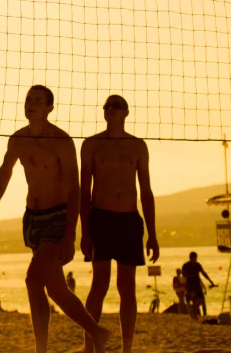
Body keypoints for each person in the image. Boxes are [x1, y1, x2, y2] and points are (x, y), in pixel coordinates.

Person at [0, 85, 110, 353]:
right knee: (56, 290)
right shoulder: (18, 139)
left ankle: (41, 348)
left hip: (57, 217)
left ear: (49, 107)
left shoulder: (61, 141)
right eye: (28, 100)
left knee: (32, 280)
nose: (31, 104)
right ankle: (97, 333)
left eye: (38, 101)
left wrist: (70, 234)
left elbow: (75, 190)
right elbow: (4, 173)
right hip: (32, 219)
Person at [80, 94, 159, 353]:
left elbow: (146, 191)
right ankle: (90, 346)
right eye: (107, 106)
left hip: (129, 219)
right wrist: (85, 231)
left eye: (116, 106)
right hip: (101, 218)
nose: (111, 109)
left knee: (127, 287)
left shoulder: (138, 146)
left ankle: (127, 347)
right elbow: (84, 191)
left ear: (126, 112)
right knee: (99, 284)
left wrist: (153, 235)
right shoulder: (91, 145)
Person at [181, 251, 215, 317]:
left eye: (196, 258)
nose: (195, 260)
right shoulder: (186, 265)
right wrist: (185, 285)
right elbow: (183, 275)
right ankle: (194, 314)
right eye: (194, 258)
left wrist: (210, 281)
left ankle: (195, 311)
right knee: (194, 299)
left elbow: (203, 273)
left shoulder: (198, 265)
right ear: (191, 258)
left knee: (201, 299)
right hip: (190, 285)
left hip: (197, 284)